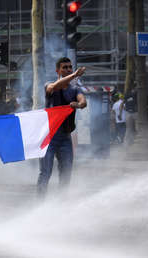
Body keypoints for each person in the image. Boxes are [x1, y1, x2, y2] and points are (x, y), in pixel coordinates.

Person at [38, 57, 87, 199]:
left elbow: (83, 101)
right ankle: (39, 204)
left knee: (66, 172)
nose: (68, 69)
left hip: (65, 137)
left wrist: (77, 105)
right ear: (57, 70)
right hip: (49, 137)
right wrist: (75, 75)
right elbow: (53, 88)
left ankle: (61, 202)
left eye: (70, 67)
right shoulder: (50, 84)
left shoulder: (75, 89)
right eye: (64, 67)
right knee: (45, 172)